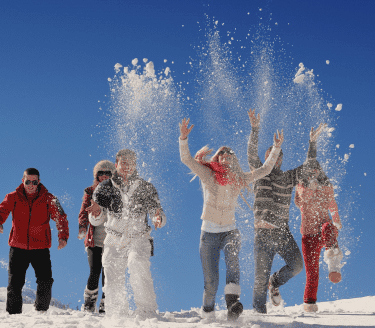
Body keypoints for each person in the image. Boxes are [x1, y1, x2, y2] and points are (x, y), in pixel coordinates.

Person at [179, 117, 283, 321]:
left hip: (230, 230)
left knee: (233, 264)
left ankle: (232, 304)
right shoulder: (208, 175)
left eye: (230, 154)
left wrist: (276, 149)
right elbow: (187, 160)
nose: (226, 156)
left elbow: (265, 170)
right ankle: (208, 312)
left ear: (233, 159)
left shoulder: (240, 178)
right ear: (217, 158)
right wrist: (183, 138)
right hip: (208, 233)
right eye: (222, 154)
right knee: (211, 282)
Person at [247, 109, 325, 313]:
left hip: (282, 232)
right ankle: (259, 318)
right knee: (258, 280)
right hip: (262, 233)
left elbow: (308, 167)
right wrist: (255, 129)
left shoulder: (288, 177)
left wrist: (312, 143)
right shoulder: (258, 173)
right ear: (267, 157)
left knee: (297, 265)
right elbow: (251, 153)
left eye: (279, 155)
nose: (276, 158)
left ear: (281, 159)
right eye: (272, 154)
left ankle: (275, 282)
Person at [92, 149, 165, 319]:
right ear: (116, 165)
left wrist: (158, 217)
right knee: (111, 269)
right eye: (123, 162)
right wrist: (95, 215)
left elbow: (158, 211)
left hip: (138, 237)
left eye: (130, 163)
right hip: (114, 237)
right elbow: (96, 218)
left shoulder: (145, 187)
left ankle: (146, 311)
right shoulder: (105, 187)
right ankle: (117, 313)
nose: (127, 166)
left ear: (135, 165)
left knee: (136, 262)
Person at [0, 168, 69, 314]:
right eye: (28, 182)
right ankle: (13, 317)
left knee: (45, 281)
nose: (31, 185)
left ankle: (41, 313)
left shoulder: (49, 198)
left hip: (41, 248)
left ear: (39, 182)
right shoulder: (12, 197)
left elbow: (61, 217)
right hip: (18, 247)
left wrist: (63, 236)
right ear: (23, 181)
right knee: (15, 283)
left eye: (34, 182)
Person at [294, 137, 343, 313]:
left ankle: (334, 265)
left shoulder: (326, 188)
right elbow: (301, 202)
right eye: (311, 170)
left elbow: (333, 205)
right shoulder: (300, 187)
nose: (314, 171)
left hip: (324, 231)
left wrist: (336, 220)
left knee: (328, 227)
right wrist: (310, 188)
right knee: (312, 274)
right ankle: (310, 304)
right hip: (308, 235)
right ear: (306, 173)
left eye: (317, 169)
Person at [78, 160, 115, 313]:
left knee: (108, 273)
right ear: (96, 176)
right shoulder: (90, 191)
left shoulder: (117, 192)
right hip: (94, 241)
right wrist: (82, 227)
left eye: (108, 173)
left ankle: (106, 302)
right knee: (95, 271)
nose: (104, 176)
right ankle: (89, 302)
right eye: (101, 174)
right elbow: (83, 212)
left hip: (111, 241)